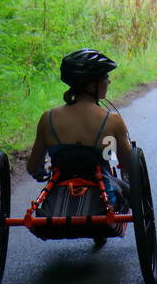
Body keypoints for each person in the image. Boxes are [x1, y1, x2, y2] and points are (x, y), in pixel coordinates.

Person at [27, 48, 132, 208]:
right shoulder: (112, 120)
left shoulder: (48, 118)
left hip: (56, 203)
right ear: (91, 86)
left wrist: (41, 172)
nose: (108, 81)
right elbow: (129, 166)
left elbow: (33, 167)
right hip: (103, 202)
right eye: (105, 77)